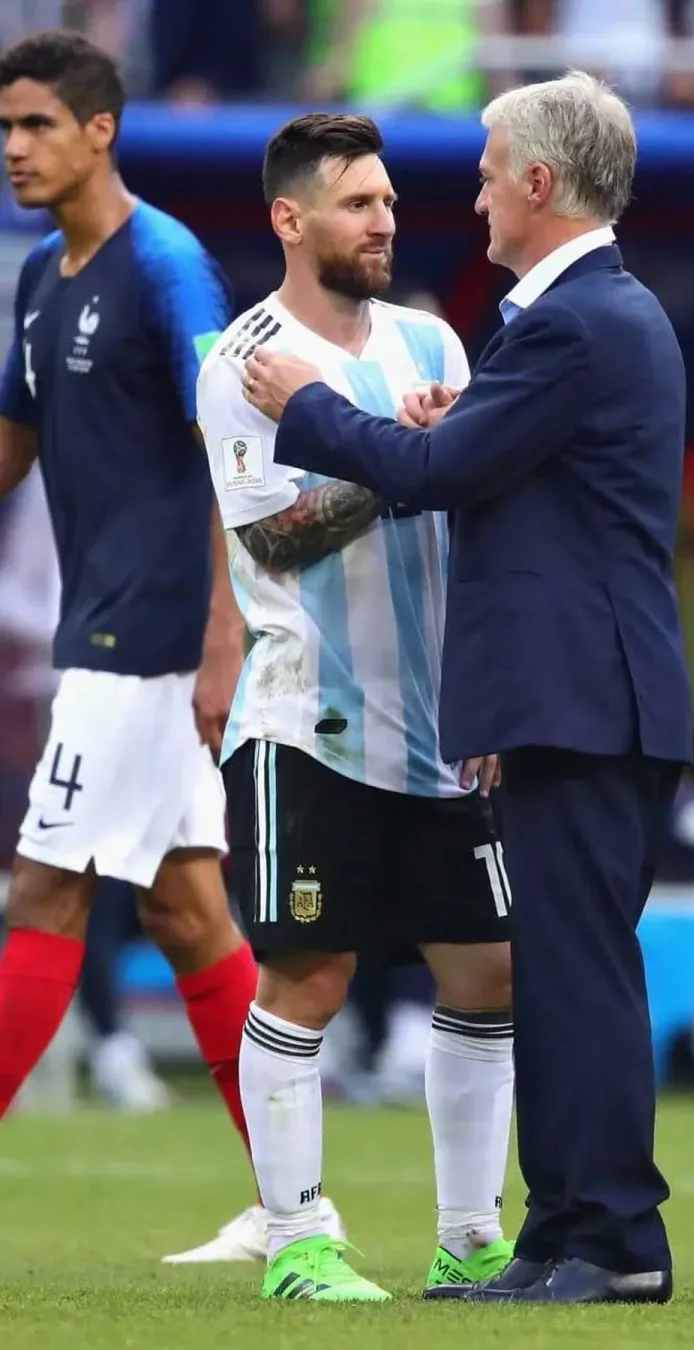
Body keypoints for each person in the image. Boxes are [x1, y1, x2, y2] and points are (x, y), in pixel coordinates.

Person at [244, 72, 692, 1306]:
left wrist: (315, 407)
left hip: (584, 698)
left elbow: (441, 474)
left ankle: (614, 1241)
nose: (476, 193)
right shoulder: (581, 318)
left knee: (580, 974)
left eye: (491, 171)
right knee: (555, 969)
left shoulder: (572, 320)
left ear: (539, 185)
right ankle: (555, 1234)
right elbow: (501, 466)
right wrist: (464, 421)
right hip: (574, 697)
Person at [0, 30, 344, 1260]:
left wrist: (221, 632)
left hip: (142, 638)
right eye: (5, 129)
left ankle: (297, 1203)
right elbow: (13, 445)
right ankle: (294, 1199)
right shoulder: (44, 275)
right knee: (191, 913)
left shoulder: (168, 267)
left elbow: (232, 448)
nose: (14, 149)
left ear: (101, 130)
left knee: (43, 889)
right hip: (102, 626)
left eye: (36, 125)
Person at [195, 112, 515, 1304]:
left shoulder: (434, 337)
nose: (385, 221)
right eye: (358, 204)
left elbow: (472, 504)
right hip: (303, 721)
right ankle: (296, 1242)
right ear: (292, 219)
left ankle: (470, 1236)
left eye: (388, 201)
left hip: (437, 721)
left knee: (490, 971)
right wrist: (390, 461)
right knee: (310, 974)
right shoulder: (246, 360)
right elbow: (270, 537)